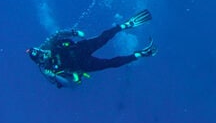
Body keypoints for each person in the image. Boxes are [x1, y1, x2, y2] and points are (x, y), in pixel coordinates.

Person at [26, 9, 156, 88]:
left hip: (79, 49)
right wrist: (54, 76)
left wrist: (74, 32)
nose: (44, 54)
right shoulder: (47, 71)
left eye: (41, 51)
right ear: (39, 62)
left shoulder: (47, 46)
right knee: (110, 63)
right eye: (41, 56)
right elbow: (69, 84)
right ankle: (139, 54)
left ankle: (125, 25)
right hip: (83, 65)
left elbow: (58, 34)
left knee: (103, 37)